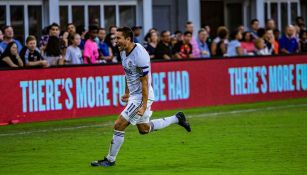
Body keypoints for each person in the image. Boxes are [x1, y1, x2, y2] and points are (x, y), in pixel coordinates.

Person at [90, 26, 191, 167]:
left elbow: (144, 82)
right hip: (134, 95)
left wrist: (143, 106)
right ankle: (177, 118)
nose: (115, 41)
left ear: (128, 39)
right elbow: (127, 72)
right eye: (115, 38)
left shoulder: (140, 55)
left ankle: (110, 159)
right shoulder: (123, 51)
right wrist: (127, 92)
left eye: (118, 38)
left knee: (119, 124)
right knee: (143, 129)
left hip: (142, 96)